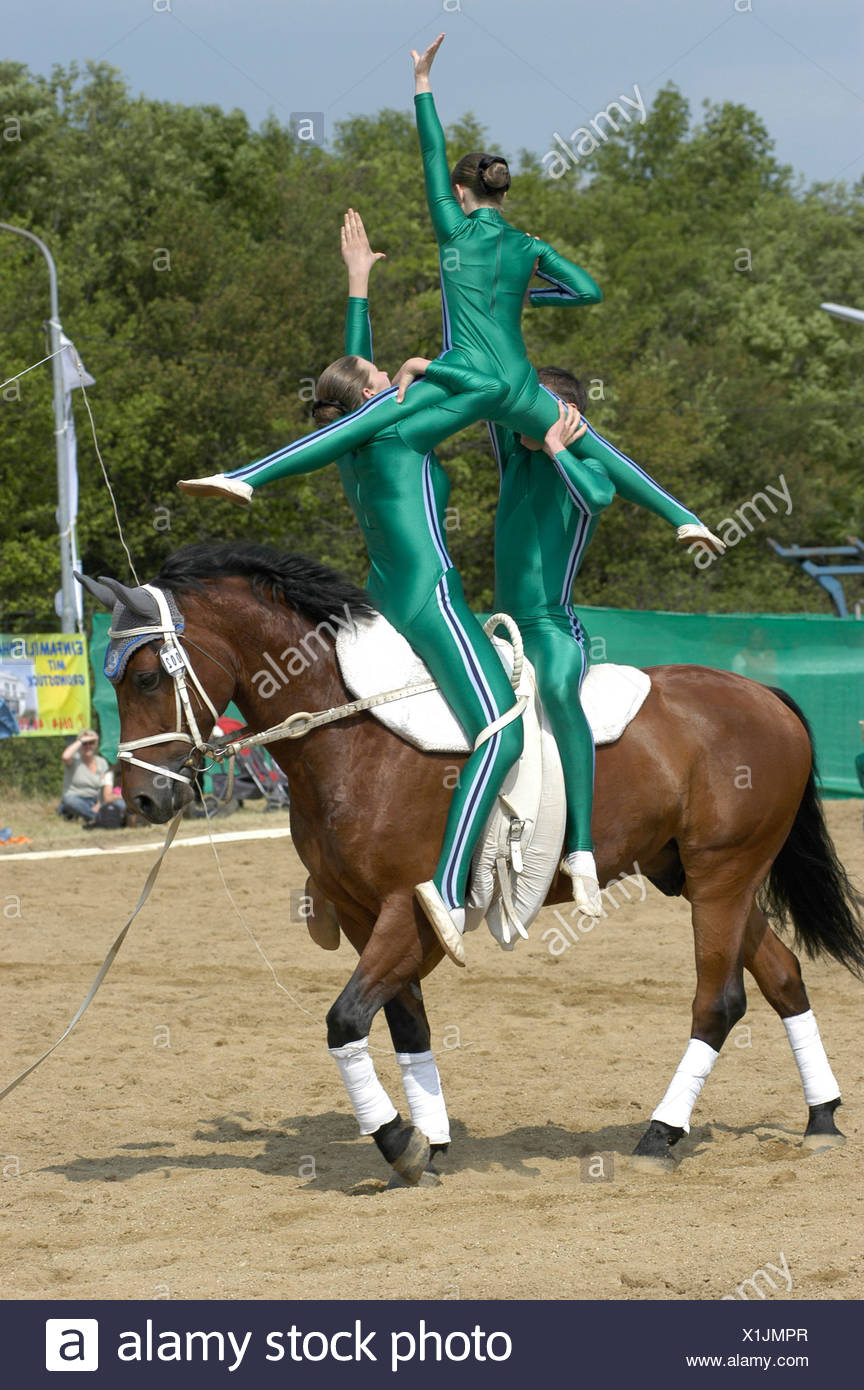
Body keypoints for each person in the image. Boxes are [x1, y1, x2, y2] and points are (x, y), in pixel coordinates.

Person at [492, 365, 714, 912]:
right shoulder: (512, 454)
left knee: (558, 692)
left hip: (552, 626)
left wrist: (559, 446)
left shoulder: (585, 465)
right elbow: (490, 369)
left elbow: (597, 498)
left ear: (566, 417)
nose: (517, 423)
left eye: (532, 413)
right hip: (502, 624)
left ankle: (582, 847)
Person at [58, 729, 112, 826]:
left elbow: (104, 787)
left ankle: (90, 817)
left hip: (94, 801)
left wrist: (99, 804)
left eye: (91, 743)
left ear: (95, 745)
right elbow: (65, 756)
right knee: (70, 802)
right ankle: (98, 819)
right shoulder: (74, 760)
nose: (88, 746)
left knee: (115, 802)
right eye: (85, 743)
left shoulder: (102, 762)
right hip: (75, 799)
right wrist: (81, 740)